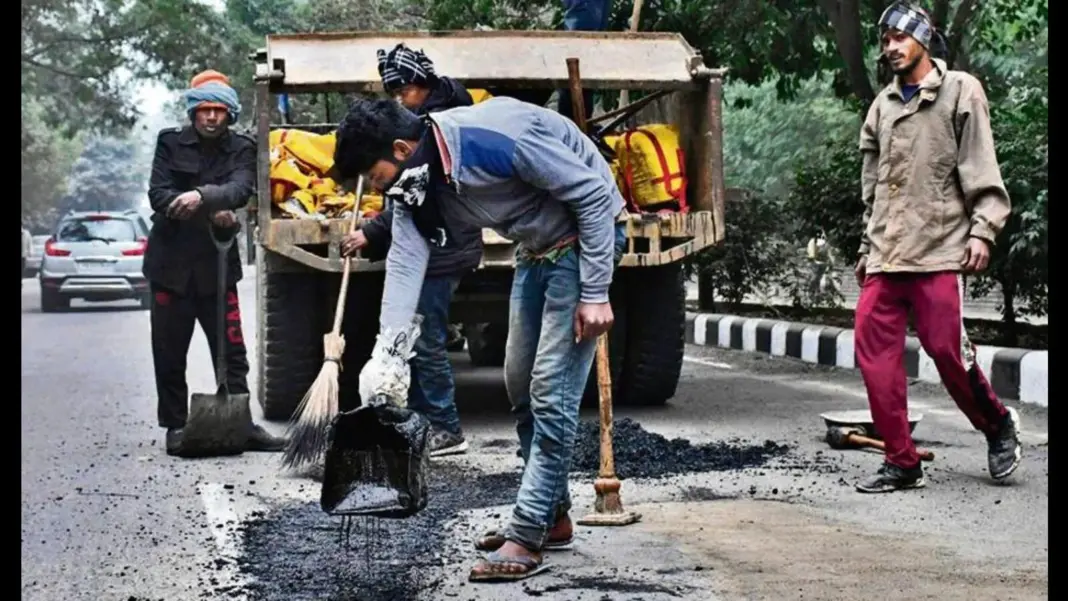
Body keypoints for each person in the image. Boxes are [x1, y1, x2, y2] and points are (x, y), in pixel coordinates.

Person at [332, 96, 626, 581]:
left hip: (584, 240)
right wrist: (388, 355)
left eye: (378, 177)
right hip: (537, 248)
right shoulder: (415, 185)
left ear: (402, 150)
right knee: (519, 386)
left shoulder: (494, 138)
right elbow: (406, 261)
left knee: (551, 395)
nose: (382, 189)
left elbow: (594, 195)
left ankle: (527, 533)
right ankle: (553, 517)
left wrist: (595, 292)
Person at [853, 3, 1019, 493]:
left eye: (900, 38)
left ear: (923, 39)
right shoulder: (881, 105)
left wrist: (983, 230)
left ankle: (996, 425)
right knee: (872, 350)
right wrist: (867, 245)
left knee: (945, 350)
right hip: (886, 252)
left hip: (939, 249)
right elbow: (874, 189)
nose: (891, 48)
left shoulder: (960, 91)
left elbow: (980, 166)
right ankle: (901, 461)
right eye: (884, 41)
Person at [337, 44, 482, 457]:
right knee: (416, 336)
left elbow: (419, 197)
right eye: (393, 91)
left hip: (440, 247)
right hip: (429, 242)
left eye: (405, 89)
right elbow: (406, 203)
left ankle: (445, 427)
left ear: (424, 83)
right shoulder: (418, 122)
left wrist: (372, 231)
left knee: (425, 339)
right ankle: (423, 419)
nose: (399, 98)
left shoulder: (434, 128)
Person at [145, 69, 286, 457]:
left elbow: (241, 188)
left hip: (217, 268)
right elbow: (159, 193)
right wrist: (207, 205)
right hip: (169, 268)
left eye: (219, 110)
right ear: (193, 112)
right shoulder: (169, 143)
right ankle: (175, 425)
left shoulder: (241, 148)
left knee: (232, 349)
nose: (211, 117)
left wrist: (200, 197)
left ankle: (240, 422)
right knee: (169, 351)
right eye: (204, 109)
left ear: (229, 114)